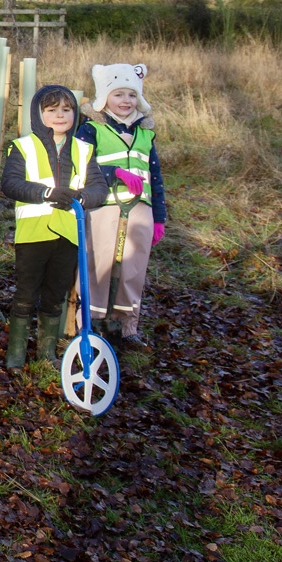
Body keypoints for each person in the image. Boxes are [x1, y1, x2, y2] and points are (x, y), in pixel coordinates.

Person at [0, 85, 108, 369]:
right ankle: (16, 354)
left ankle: (46, 353)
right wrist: (46, 193)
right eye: (52, 110)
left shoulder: (84, 150)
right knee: (26, 293)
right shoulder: (23, 146)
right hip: (33, 234)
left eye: (66, 109)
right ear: (39, 114)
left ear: (75, 114)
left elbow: (100, 188)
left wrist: (81, 197)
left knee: (55, 294)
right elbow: (10, 183)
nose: (60, 115)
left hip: (69, 233)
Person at [77, 63, 165, 351]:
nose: (126, 101)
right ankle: (89, 323)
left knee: (133, 267)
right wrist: (114, 172)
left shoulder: (146, 134)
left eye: (131, 95)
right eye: (118, 95)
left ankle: (127, 327)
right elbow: (81, 165)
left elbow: (156, 176)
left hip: (140, 209)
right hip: (103, 206)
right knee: (98, 264)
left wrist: (159, 217)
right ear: (105, 98)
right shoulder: (91, 129)